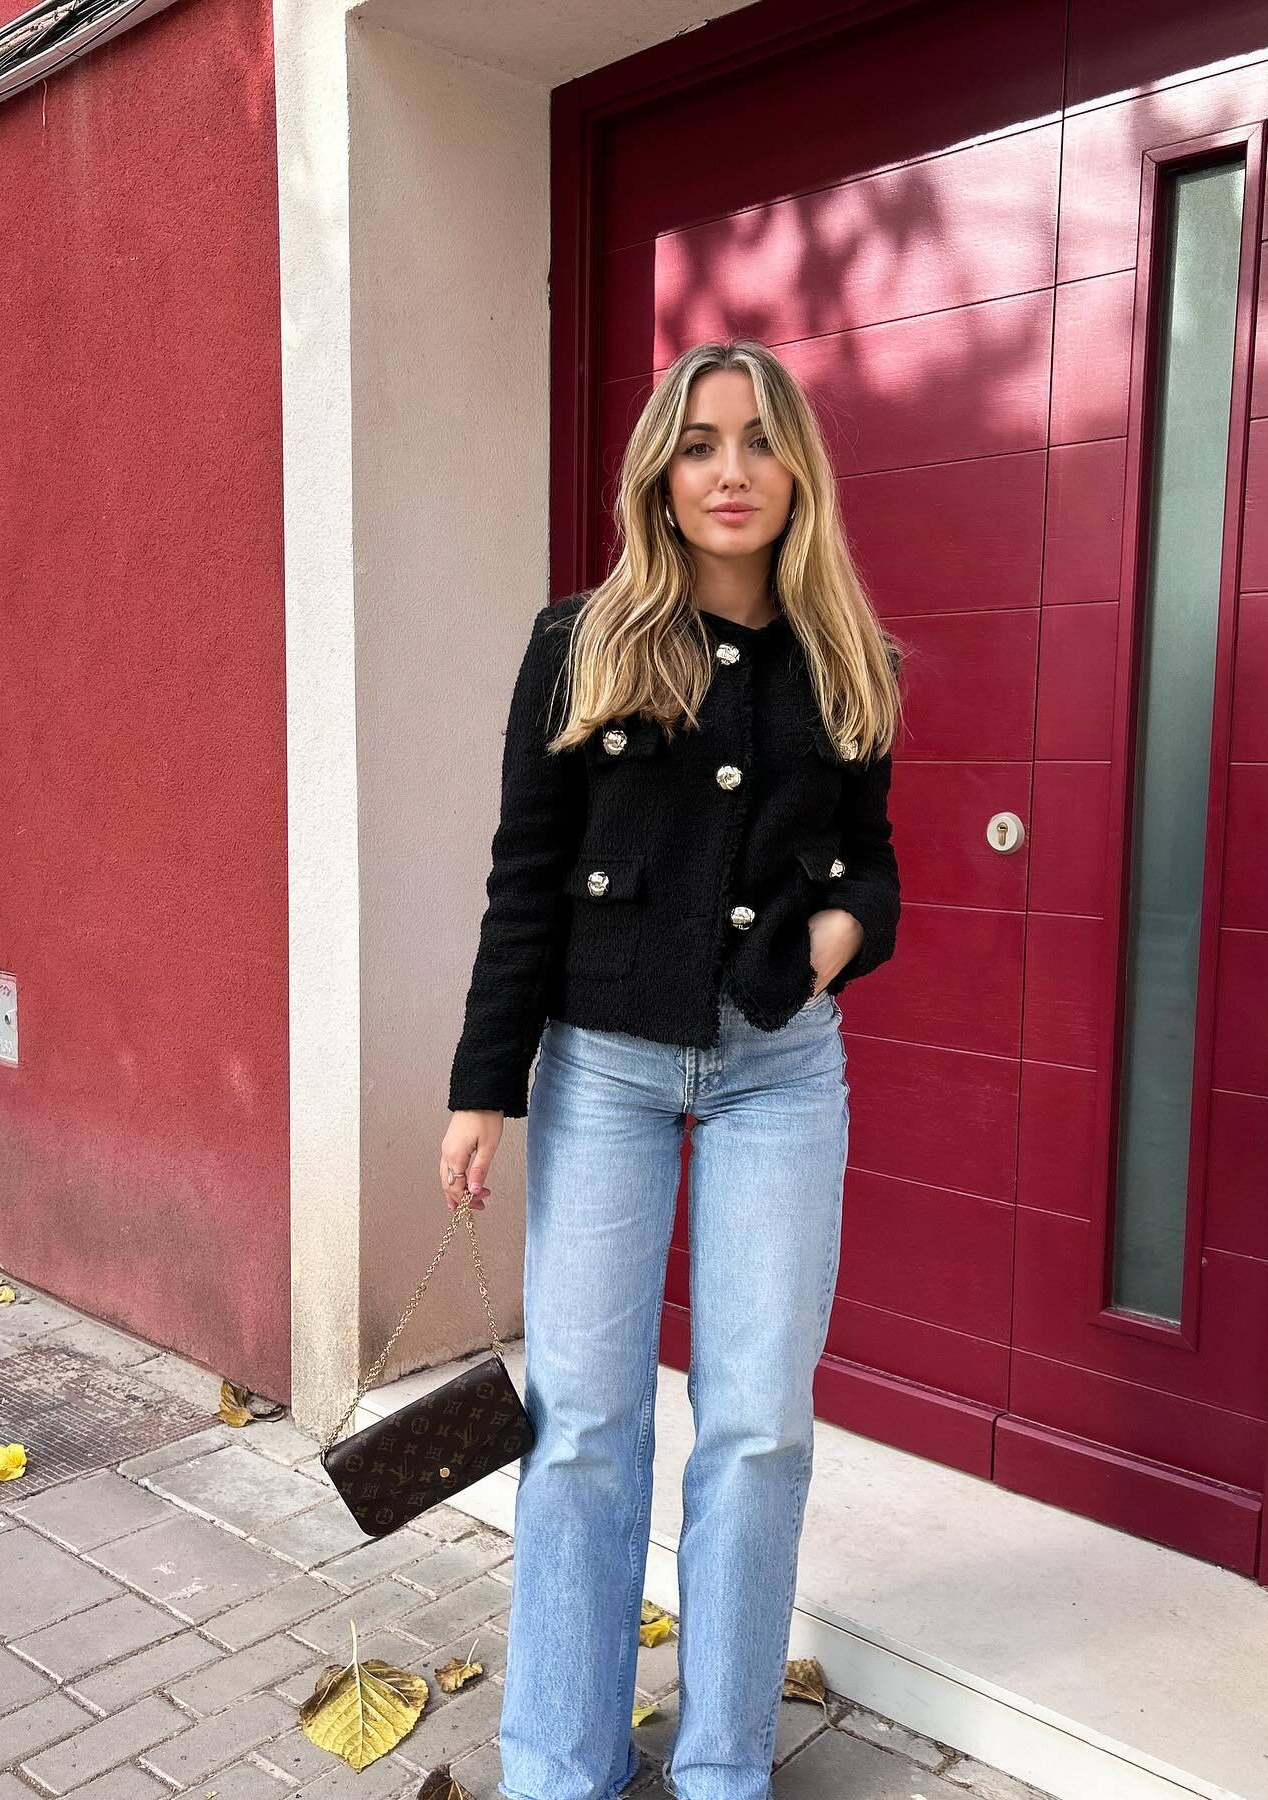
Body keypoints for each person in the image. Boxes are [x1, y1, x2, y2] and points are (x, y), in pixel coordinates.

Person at [439, 337, 903, 1800]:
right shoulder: (581, 642)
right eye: (701, 443)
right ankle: (558, 1762)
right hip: (603, 1072)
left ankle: (721, 1768)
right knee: (584, 1424)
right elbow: (526, 874)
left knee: (757, 1429)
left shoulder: (850, 659)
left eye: (759, 442)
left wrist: (836, 937)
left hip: (782, 1074)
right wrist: (483, 1087)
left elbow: (874, 865)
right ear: (661, 469)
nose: (730, 471)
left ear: (798, 472)